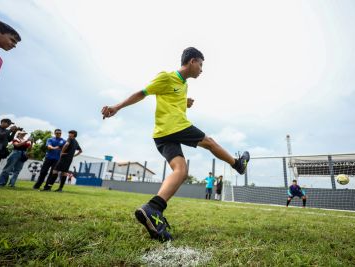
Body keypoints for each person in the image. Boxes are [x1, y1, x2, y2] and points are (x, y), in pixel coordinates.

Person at [101, 47, 250, 242]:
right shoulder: (166, 76)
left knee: (181, 170)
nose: (202, 70)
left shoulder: (184, 85)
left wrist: (184, 102)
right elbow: (142, 92)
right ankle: (237, 164)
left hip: (163, 135)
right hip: (173, 127)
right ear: (192, 62)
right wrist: (116, 107)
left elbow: (172, 98)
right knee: (210, 142)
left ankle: (153, 209)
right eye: (201, 65)